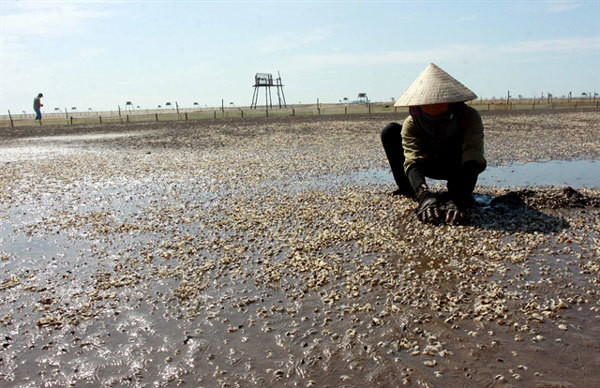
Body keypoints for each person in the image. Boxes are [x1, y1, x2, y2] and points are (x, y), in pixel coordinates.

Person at [381, 63, 486, 225]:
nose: (433, 105)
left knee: (460, 190)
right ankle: (410, 188)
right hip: (427, 163)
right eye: (428, 102)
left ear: (451, 101)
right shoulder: (412, 122)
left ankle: (457, 190)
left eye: (438, 101)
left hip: (457, 166)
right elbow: (412, 159)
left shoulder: (469, 117)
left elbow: (474, 156)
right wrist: (423, 195)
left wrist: (459, 199)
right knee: (390, 131)